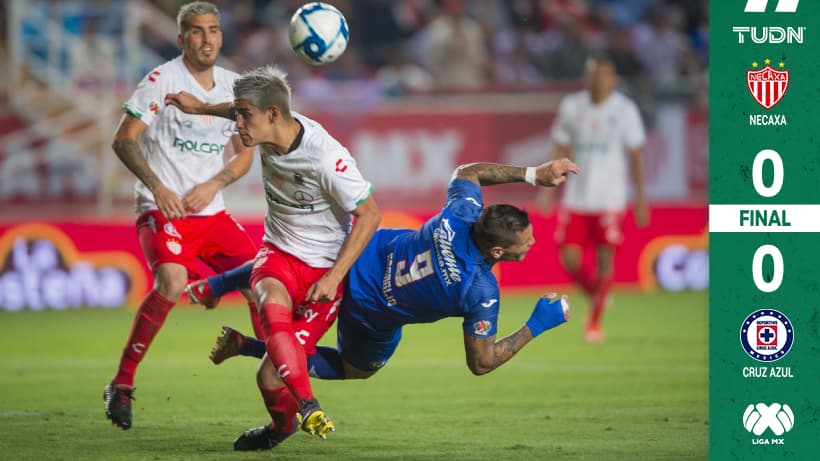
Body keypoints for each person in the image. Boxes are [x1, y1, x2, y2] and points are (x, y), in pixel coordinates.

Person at [188, 159, 580, 451]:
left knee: (284, 265)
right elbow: (481, 363)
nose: (531, 244)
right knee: (351, 369)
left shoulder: (461, 213)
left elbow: (468, 172)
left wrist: (532, 175)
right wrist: (538, 323)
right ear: (497, 250)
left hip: (353, 257)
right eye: (524, 242)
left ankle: (217, 285)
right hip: (371, 319)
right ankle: (250, 349)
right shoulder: (479, 291)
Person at [164, 64, 381, 443]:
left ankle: (278, 426)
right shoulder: (261, 123)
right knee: (270, 307)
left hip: (322, 272)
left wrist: (333, 277)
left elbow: (370, 215)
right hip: (277, 253)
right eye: (239, 114)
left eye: (244, 116)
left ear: (274, 115)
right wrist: (199, 107)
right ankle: (308, 408)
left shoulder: (326, 156)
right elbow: (235, 109)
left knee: (268, 375)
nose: (237, 125)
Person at [103, 1, 262, 431]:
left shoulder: (234, 86)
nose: (206, 38)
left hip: (212, 215)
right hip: (163, 209)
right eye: (196, 31)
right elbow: (124, 140)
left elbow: (245, 156)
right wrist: (158, 187)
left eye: (213, 30)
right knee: (171, 282)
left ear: (222, 36)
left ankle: (281, 384)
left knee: (263, 283)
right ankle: (121, 383)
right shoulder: (160, 80)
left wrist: (215, 183)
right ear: (182, 39)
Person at [538, 55, 649, 343]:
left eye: (604, 76)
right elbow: (560, 147)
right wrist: (547, 188)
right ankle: (596, 294)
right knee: (569, 259)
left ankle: (594, 323)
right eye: (593, 75)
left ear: (613, 80)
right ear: (586, 78)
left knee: (604, 260)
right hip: (576, 197)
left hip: (610, 199)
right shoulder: (571, 107)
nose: (599, 81)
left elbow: (635, 155)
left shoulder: (624, 110)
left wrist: (639, 198)